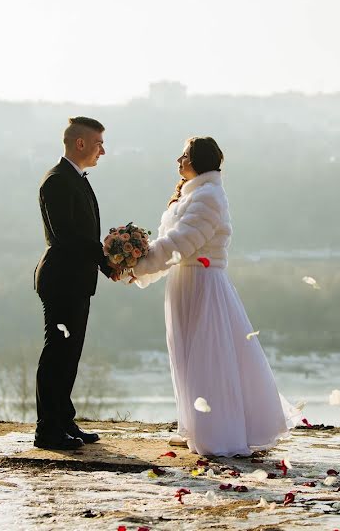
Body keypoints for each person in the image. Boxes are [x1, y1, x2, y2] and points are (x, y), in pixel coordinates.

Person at [130, 137, 297, 456]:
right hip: (184, 282)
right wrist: (137, 268)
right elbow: (171, 245)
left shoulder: (208, 197)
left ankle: (216, 433)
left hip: (204, 283)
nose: (178, 160)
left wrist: (137, 266)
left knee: (208, 358)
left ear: (199, 160)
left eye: (184, 155)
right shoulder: (190, 195)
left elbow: (181, 243)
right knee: (185, 356)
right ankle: (192, 424)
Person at [32, 116, 118, 450]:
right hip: (61, 279)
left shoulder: (77, 179)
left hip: (77, 280)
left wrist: (106, 263)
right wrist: (106, 258)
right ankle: (47, 430)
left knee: (70, 354)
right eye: (99, 144)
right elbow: (68, 236)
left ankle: (63, 421)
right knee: (57, 353)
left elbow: (84, 234)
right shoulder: (56, 181)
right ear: (80, 143)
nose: (103, 151)